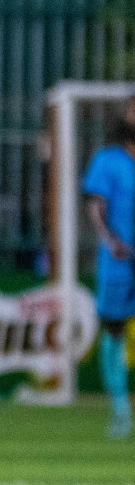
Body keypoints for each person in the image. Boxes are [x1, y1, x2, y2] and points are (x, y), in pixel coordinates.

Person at [83, 116, 135, 439]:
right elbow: (96, 206)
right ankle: (120, 408)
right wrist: (109, 238)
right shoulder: (108, 160)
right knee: (113, 329)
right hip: (120, 259)